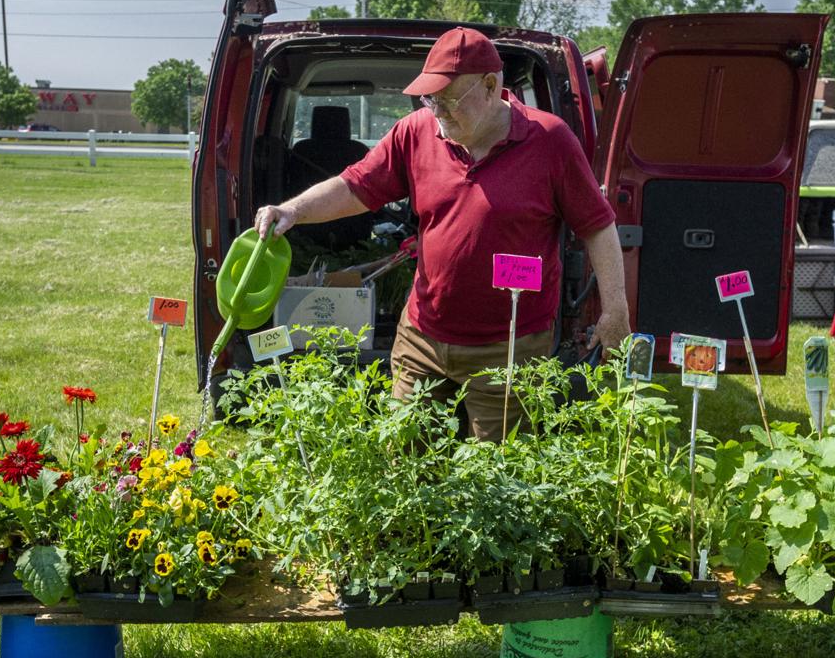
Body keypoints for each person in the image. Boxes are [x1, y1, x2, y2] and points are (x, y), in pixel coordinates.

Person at [255, 27, 629, 440]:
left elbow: (597, 226)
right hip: (423, 338)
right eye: (429, 99)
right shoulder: (415, 132)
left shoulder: (550, 140)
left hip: (509, 346)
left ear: (490, 87)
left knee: (497, 466)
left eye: (448, 99)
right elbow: (355, 187)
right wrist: (293, 210)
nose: (437, 111)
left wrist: (615, 309)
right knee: (407, 453)